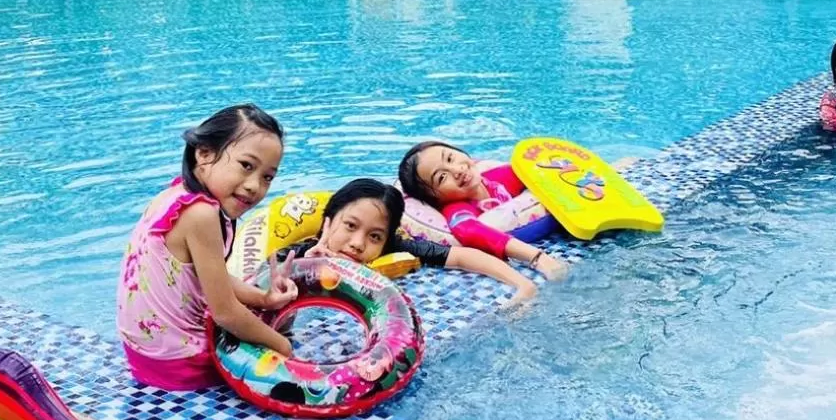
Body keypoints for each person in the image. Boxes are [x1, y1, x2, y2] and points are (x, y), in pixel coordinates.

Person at [117, 105, 298, 392]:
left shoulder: (176, 194)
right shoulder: (201, 215)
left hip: (144, 357)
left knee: (268, 314)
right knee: (281, 338)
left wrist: (263, 299)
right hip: (181, 366)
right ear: (204, 153)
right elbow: (225, 312)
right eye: (246, 165)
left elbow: (206, 278)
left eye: (267, 177)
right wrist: (284, 347)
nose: (254, 186)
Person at [292, 178, 542, 305]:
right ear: (327, 220)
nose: (358, 243)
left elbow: (462, 256)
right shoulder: (297, 255)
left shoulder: (395, 249)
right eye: (350, 226)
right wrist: (304, 271)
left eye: (375, 236)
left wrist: (523, 284)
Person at [398, 142, 567, 281]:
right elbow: (471, 231)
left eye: (450, 158)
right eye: (442, 177)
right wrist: (537, 257)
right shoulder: (457, 210)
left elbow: (545, 173)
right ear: (434, 199)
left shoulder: (500, 177)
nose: (457, 171)